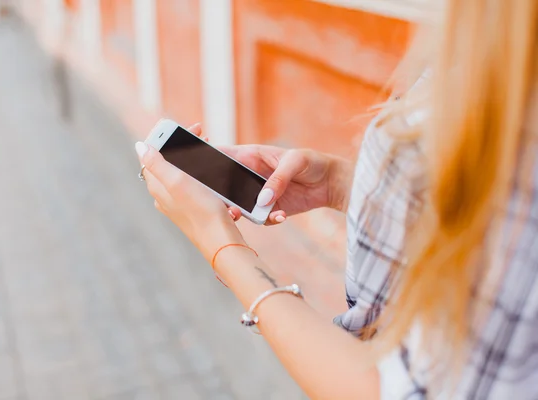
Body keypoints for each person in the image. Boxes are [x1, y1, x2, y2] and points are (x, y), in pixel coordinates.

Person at [135, 0, 538, 397]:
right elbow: (458, 217)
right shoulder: (486, 60)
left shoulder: (517, 122)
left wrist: (217, 240)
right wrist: (344, 185)